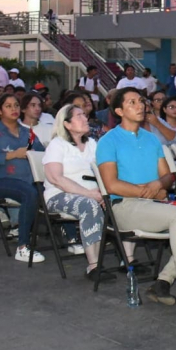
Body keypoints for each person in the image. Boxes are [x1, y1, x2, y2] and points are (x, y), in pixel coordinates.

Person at [96, 88, 176, 307]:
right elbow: (111, 184)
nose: (140, 106)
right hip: (123, 206)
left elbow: (167, 176)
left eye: (141, 101)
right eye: (132, 102)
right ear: (119, 111)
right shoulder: (108, 141)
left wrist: (158, 185)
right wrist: (147, 191)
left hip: (153, 203)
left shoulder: (152, 139)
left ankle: (163, 281)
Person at [43, 104, 116, 283]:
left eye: (85, 114)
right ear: (67, 124)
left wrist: (103, 192)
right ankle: (94, 266)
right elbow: (56, 178)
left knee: (121, 202)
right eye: (79, 116)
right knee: (89, 205)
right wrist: (88, 194)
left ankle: (127, 259)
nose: (85, 118)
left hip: (94, 193)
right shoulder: (57, 144)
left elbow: (104, 172)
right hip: (59, 195)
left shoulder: (92, 144)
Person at [0, 94, 46, 263]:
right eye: (8, 106)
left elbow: (42, 154)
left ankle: (72, 238)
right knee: (30, 193)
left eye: (16, 105)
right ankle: (22, 247)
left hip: (29, 179)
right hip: (2, 180)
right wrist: (13, 154)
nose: (14, 109)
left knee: (56, 189)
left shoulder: (27, 133)